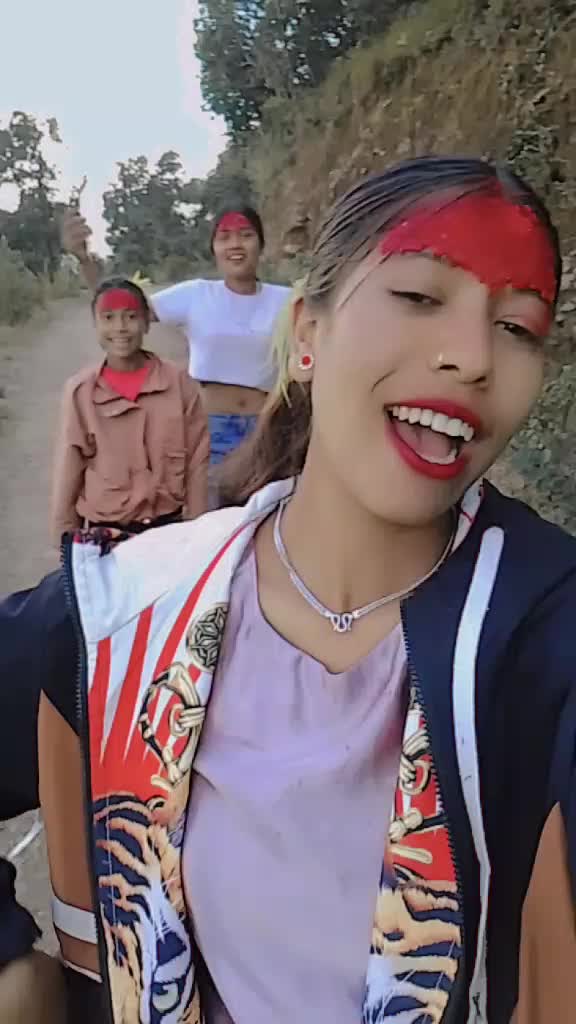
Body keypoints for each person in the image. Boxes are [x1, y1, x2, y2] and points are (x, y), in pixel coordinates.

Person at [1, 154, 576, 1023]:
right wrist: (17, 973)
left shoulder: (544, 643)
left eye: (518, 328)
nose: (471, 358)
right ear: (306, 334)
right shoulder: (132, 611)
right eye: (419, 297)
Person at [61, 205, 291, 477]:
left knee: (269, 504)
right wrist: (85, 260)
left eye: (246, 235)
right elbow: (121, 303)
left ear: (262, 245)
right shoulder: (195, 294)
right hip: (209, 432)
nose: (235, 244)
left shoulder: (288, 300)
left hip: (267, 430)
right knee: (209, 504)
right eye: (224, 237)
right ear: (213, 248)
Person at [50, 276, 209, 543]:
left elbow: (197, 458)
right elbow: (70, 463)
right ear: (95, 324)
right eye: (108, 318)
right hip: (105, 531)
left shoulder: (179, 382)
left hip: (167, 529)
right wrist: (65, 536)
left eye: (131, 317)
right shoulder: (81, 391)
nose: (120, 328)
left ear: (146, 322)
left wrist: (197, 528)